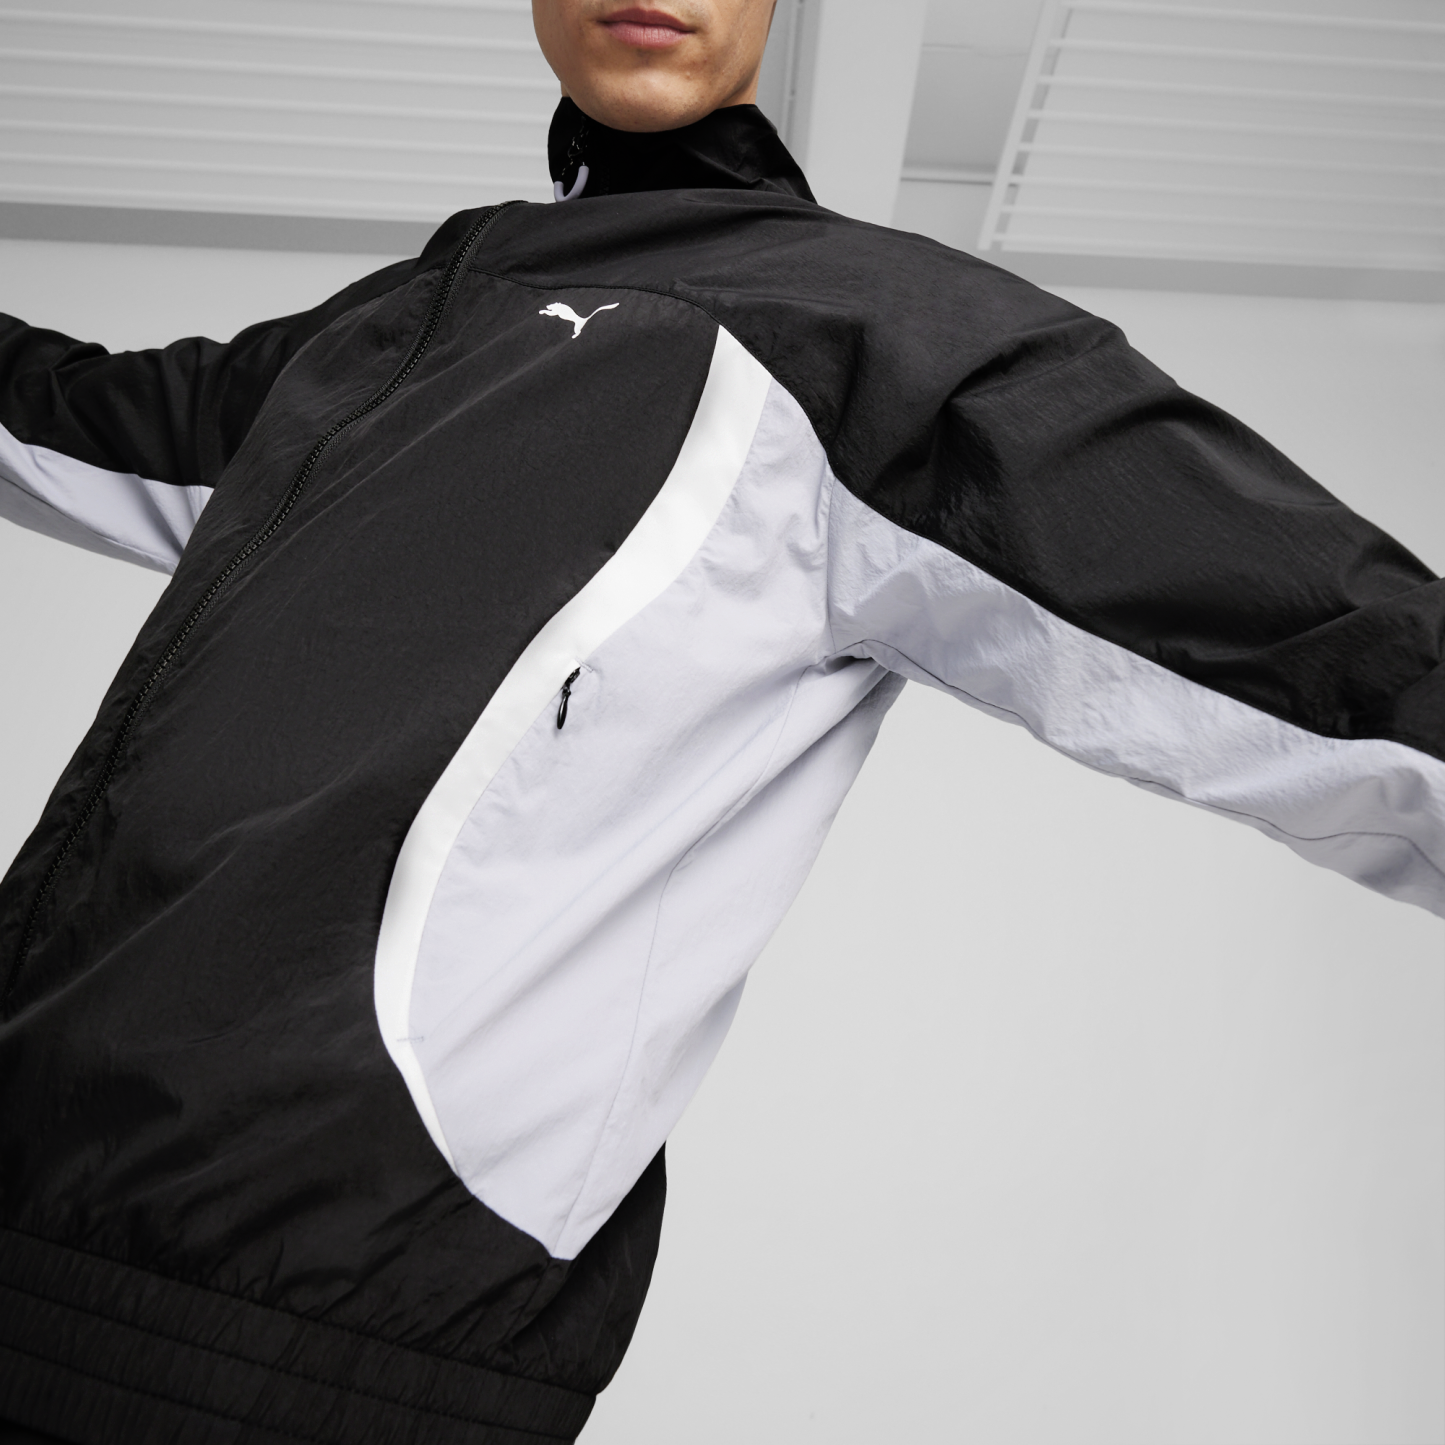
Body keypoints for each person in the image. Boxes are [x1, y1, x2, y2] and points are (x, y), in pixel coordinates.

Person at [0, 1, 1441, 1440]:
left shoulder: (871, 332)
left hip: (315, 1304)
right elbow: (52, 411)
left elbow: (1343, 650)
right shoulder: (387, 330)